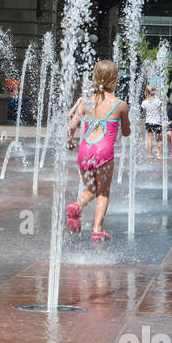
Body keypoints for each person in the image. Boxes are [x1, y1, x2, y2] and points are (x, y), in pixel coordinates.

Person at [66, 59, 130, 242]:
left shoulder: (85, 103)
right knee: (102, 191)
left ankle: (77, 206)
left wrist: (70, 141)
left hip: (85, 149)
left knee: (89, 188)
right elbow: (126, 132)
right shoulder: (120, 104)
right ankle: (97, 228)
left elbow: (71, 126)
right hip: (104, 151)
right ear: (115, 79)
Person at [141, 84, 165, 160]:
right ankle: (159, 154)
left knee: (149, 138)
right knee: (159, 139)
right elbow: (160, 110)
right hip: (157, 121)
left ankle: (150, 154)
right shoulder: (158, 101)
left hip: (148, 122)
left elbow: (144, 112)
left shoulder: (144, 102)